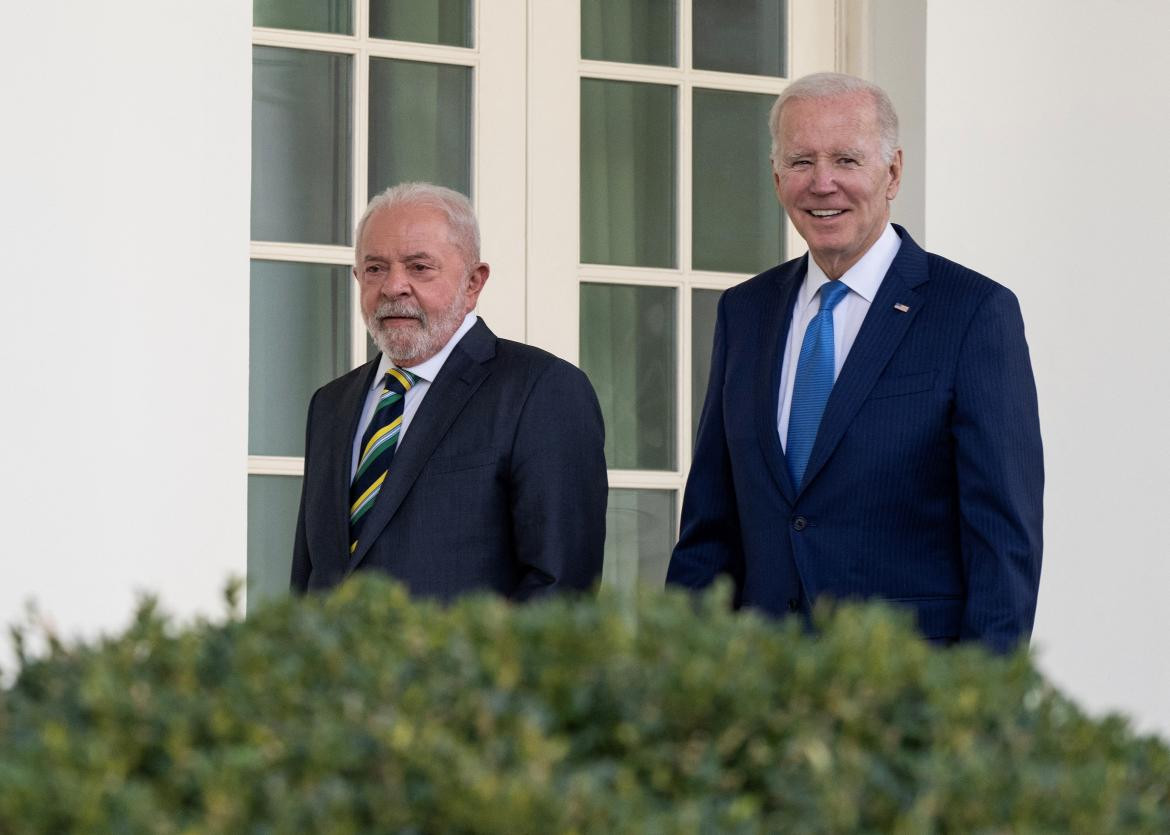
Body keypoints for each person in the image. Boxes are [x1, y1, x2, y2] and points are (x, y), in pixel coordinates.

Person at [667, 73, 1043, 652]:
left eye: (846, 159)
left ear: (892, 173)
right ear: (775, 176)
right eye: (800, 162)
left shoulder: (972, 313)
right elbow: (710, 527)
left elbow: (1002, 541)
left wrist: (978, 719)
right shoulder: (745, 312)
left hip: (904, 693)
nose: (823, 184)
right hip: (759, 690)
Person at [292, 182, 607, 600]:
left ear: (474, 283)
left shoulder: (542, 391)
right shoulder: (330, 405)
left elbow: (560, 591)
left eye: (419, 267)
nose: (393, 286)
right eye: (375, 268)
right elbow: (309, 581)